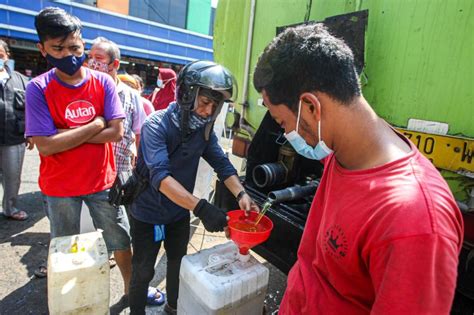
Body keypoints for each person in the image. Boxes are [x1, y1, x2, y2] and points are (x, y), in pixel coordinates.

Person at [253, 24, 463, 314]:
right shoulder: (341, 150)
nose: (287, 133)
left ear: (311, 107)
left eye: (282, 123)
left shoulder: (415, 222)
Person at [128, 60, 258, 315]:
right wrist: (201, 208)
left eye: (214, 106)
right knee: (143, 269)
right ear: (187, 95)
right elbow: (161, 178)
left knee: (178, 262)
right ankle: (135, 311)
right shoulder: (156, 125)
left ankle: (174, 307)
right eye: (204, 102)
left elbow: (222, 163)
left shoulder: (202, 131)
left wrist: (241, 193)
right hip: (148, 212)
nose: (208, 111)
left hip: (178, 213)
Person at [25, 7, 132, 296]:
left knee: (120, 240)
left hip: (103, 183)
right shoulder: (38, 88)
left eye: (73, 46)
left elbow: (117, 132)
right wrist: (96, 123)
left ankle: (130, 291)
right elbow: (45, 145)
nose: (67, 55)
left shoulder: (103, 83)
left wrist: (63, 134)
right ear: (42, 48)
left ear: (82, 43)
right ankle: (70, 298)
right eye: (57, 48)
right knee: (64, 248)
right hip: (60, 188)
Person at [88, 37, 147, 171]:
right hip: (86, 172)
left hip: (119, 172)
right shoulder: (82, 91)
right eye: (90, 57)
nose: (92, 62)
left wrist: (140, 167)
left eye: (98, 58)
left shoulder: (131, 95)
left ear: (115, 64)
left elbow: (139, 135)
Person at [0, 39, 32, 221]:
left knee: (13, 177)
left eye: (0, 55)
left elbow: (30, 109)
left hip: (14, 138)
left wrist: (30, 133)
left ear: (7, 56)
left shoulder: (20, 79)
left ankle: (10, 208)